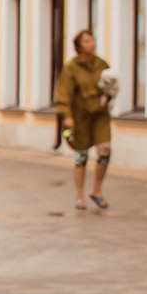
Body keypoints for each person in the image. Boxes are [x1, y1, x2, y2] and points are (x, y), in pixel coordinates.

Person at [54, 29, 113, 211]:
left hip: (100, 114)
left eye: (92, 40)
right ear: (79, 46)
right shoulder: (72, 67)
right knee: (81, 155)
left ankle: (97, 190)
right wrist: (67, 115)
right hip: (80, 116)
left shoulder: (101, 64)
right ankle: (79, 194)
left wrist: (110, 94)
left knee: (105, 151)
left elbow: (109, 85)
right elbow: (64, 92)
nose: (92, 43)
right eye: (87, 41)